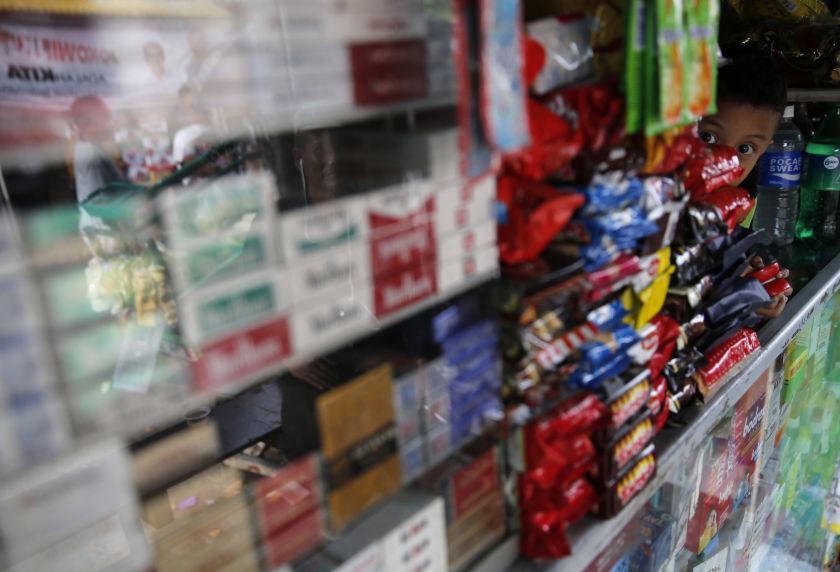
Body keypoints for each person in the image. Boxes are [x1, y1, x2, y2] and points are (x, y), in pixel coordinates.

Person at [698, 50, 793, 318]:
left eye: (745, 147)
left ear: (764, 151)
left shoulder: (741, 202)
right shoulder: (658, 197)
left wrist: (750, 295)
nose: (724, 160)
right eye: (708, 137)